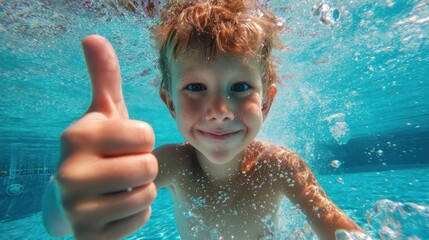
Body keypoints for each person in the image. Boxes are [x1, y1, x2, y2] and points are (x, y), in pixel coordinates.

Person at [43, 0, 367, 239]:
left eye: (240, 87)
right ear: (170, 103)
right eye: (195, 87)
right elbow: (69, 221)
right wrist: (63, 200)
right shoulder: (173, 164)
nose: (219, 110)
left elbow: (341, 230)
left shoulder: (281, 166)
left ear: (266, 102)